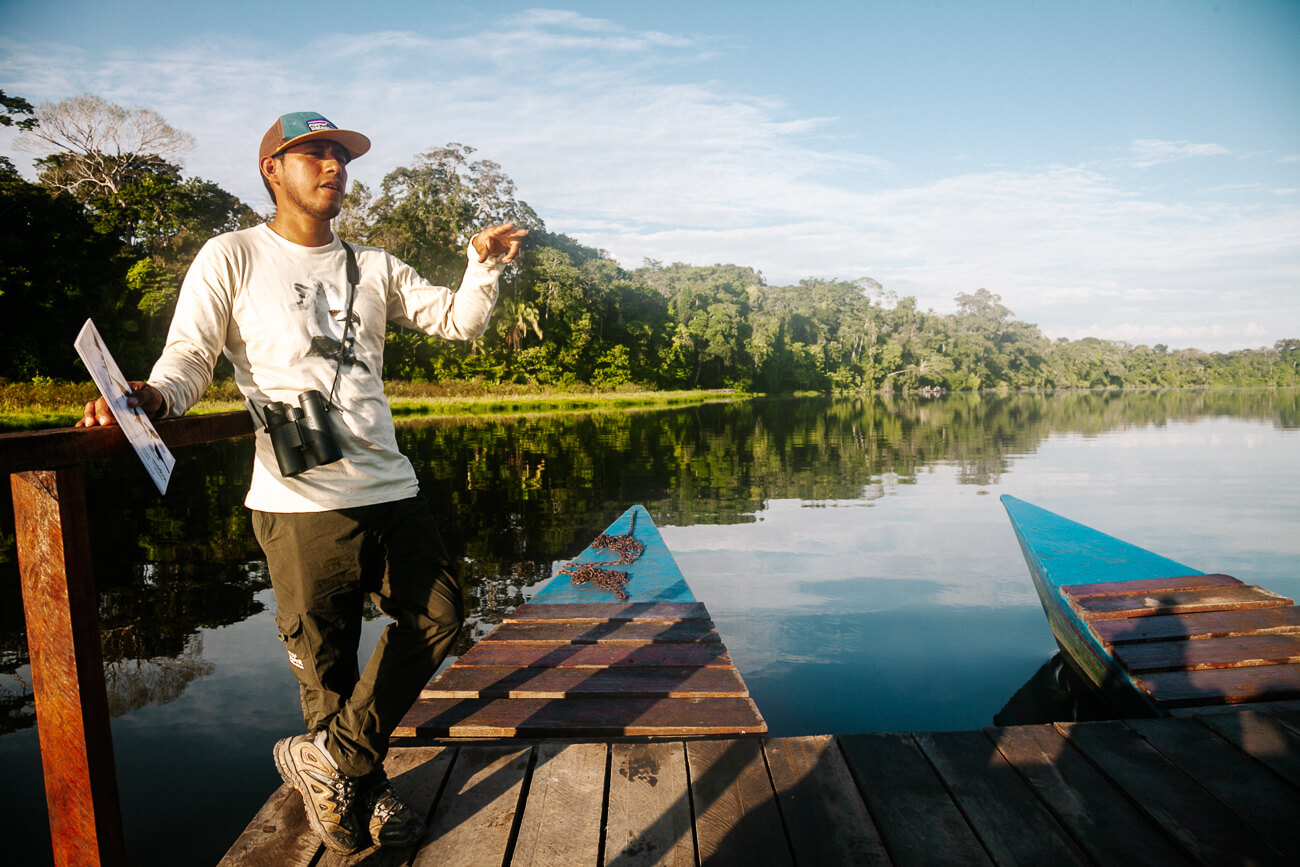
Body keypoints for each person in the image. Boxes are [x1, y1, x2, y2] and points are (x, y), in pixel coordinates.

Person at [76, 111, 527, 854]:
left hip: (389, 484)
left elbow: (459, 321)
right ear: (271, 169)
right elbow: (190, 356)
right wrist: (151, 396)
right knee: (327, 672)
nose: (333, 167)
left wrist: (482, 263)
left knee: (441, 614)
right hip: (300, 503)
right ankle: (360, 788)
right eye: (313, 153)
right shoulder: (233, 256)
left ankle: (333, 762)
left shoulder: (373, 265)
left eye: (340, 156)